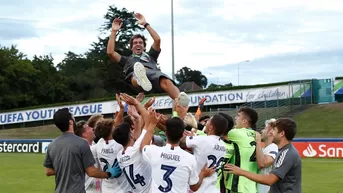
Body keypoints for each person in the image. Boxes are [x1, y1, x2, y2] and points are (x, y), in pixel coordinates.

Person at [43, 108, 121, 193]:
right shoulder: (81, 143)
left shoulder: (52, 145)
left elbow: (48, 171)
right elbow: (91, 172)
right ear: (70, 122)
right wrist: (108, 174)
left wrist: (68, 167)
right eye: (73, 117)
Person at [107, 13, 179, 99]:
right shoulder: (126, 60)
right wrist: (114, 31)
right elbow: (110, 52)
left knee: (166, 81)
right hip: (135, 81)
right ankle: (140, 80)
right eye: (135, 43)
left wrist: (145, 24)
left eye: (140, 43)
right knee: (135, 75)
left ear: (144, 46)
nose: (138, 44)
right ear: (131, 47)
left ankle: (181, 102)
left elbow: (157, 39)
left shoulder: (151, 55)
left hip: (153, 76)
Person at [140, 111, 215, 193]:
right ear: (183, 135)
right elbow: (194, 187)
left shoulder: (155, 151)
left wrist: (152, 124)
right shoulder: (189, 158)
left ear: (165, 133)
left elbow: (143, 146)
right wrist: (203, 174)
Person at [225, 118, 302, 193]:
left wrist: (241, 172)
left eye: (274, 130)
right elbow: (275, 184)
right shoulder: (282, 151)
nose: (271, 133)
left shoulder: (287, 154)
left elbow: (270, 180)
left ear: (282, 134)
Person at [181, 114, 228, 193]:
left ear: (211, 127)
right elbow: (203, 151)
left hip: (199, 187)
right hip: (213, 188)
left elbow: (181, 143)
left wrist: (190, 134)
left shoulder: (202, 140)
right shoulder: (223, 145)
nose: (206, 123)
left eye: (208, 121)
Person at [226, 106, 259, 193]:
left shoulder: (236, 133)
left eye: (238, 116)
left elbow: (216, 133)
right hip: (251, 187)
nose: (235, 118)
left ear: (244, 121)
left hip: (238, 185)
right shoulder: (255, 134)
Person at [94, 119, 129, 193]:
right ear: (111, 130)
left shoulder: (99, 144)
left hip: (106, 188)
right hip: (121, 188)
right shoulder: (119, 144)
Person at [75, 121, 101, 193]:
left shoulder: (91, 145)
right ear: (84, 134)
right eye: (88, 127)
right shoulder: (89, 149)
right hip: (89, 190)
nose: (92, 128)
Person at [256, 119, 278, 193]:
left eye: (264, 128)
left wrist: (258, 142)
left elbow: (263, 163)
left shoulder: (274, 147)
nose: (261, 131)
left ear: (271, 133)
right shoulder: (264, 149)